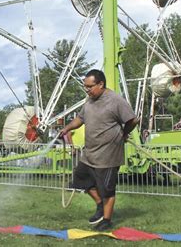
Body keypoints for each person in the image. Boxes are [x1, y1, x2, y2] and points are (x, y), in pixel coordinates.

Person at [59, 69, 138, 231]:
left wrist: (123, 134)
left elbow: (133, 119)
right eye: (85, 87)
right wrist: (67, 128)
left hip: (108, 154)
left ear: (101, 84)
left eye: (89, 87)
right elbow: (80, 119)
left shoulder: (115, 100)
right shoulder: (89, 101)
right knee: (79, 179)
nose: (87, 90)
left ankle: (107, 220)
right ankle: (100, 204)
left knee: (107, 189)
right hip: (90, 153)